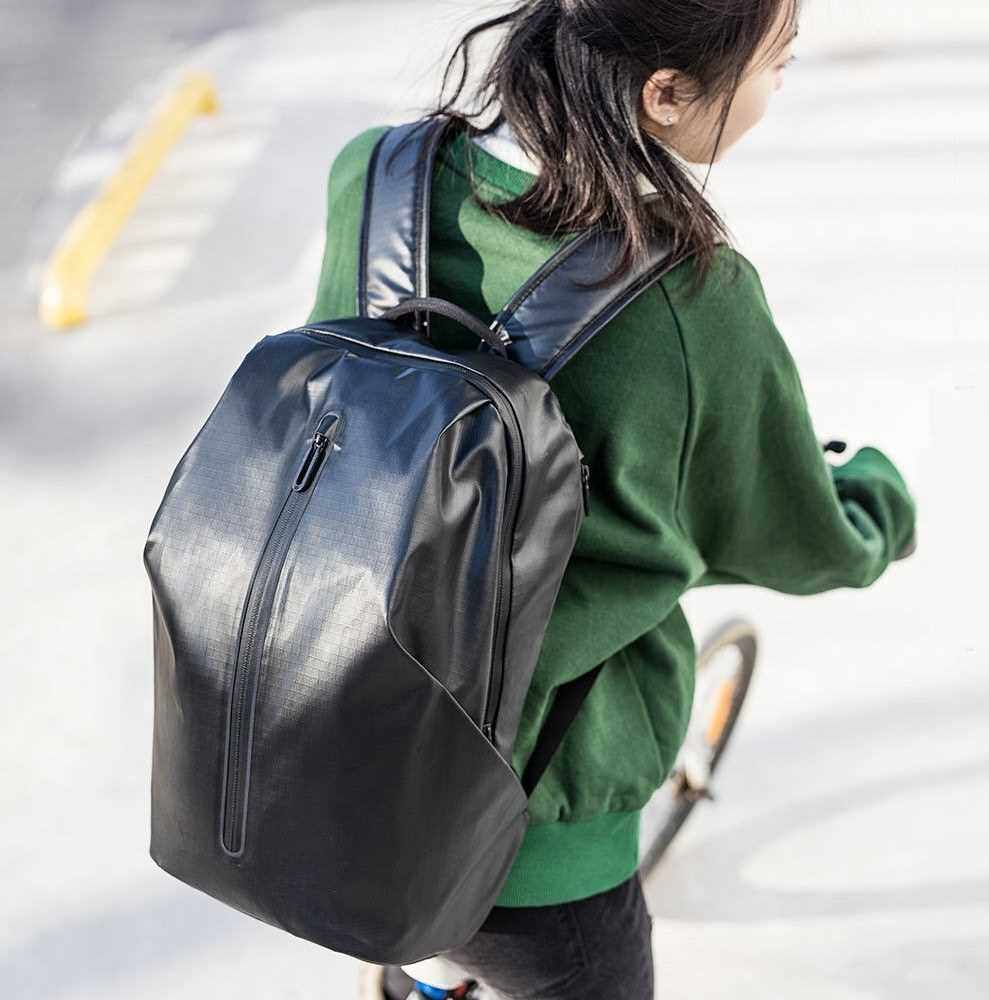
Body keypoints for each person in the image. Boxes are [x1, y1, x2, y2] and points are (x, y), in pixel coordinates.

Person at [308, 1, 918, 997]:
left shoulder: (375, 175)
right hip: (525, 825)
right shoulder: (689, 300)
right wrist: (876, 505)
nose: (776, 89)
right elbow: (787, 531)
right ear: (666, 92)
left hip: (326, 722)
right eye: (777, 65)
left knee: (421, 933)